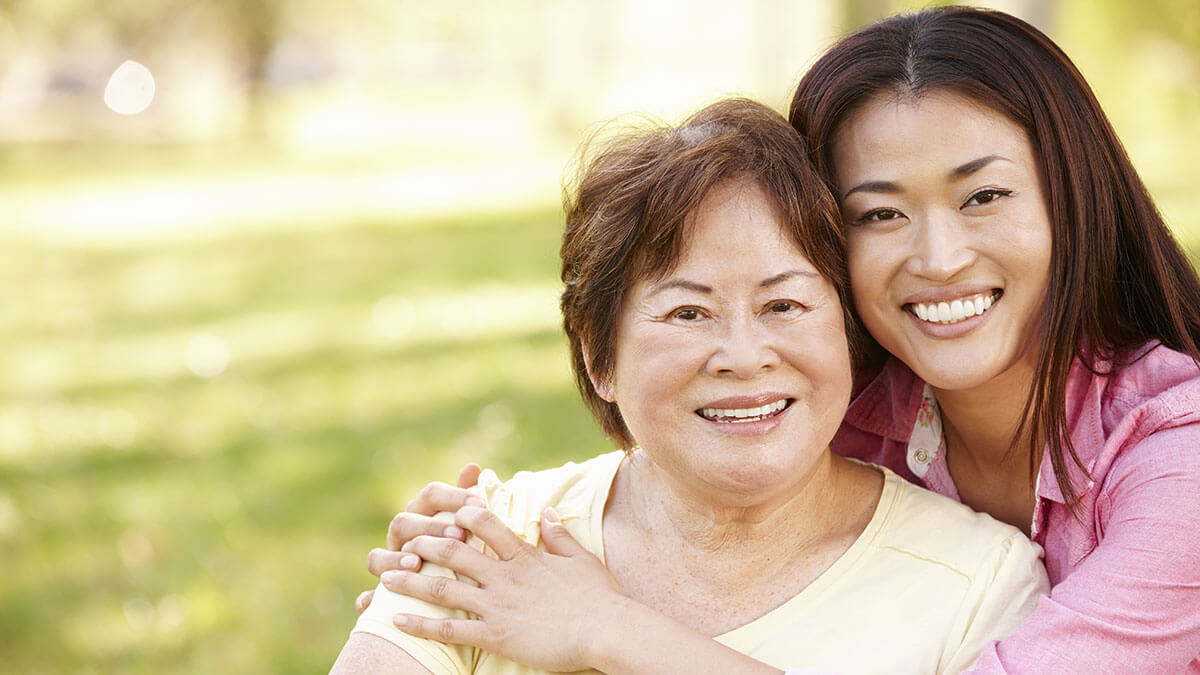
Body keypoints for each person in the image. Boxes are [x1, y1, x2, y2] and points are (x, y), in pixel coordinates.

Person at [360, 6, 1200, 673]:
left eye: (982, 197)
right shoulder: (855, 397)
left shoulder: (1179, 461)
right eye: (879, 212)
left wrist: (605, 626)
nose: (938, 258)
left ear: (1072, 197)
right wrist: (480, 528)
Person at [330, 98, 1046, 674]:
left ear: (847, 334)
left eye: (784, 304)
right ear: (598, 354)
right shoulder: (486, 546)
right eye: (687, 311)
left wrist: (607, 631)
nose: (742, 354)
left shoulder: (979, 583)